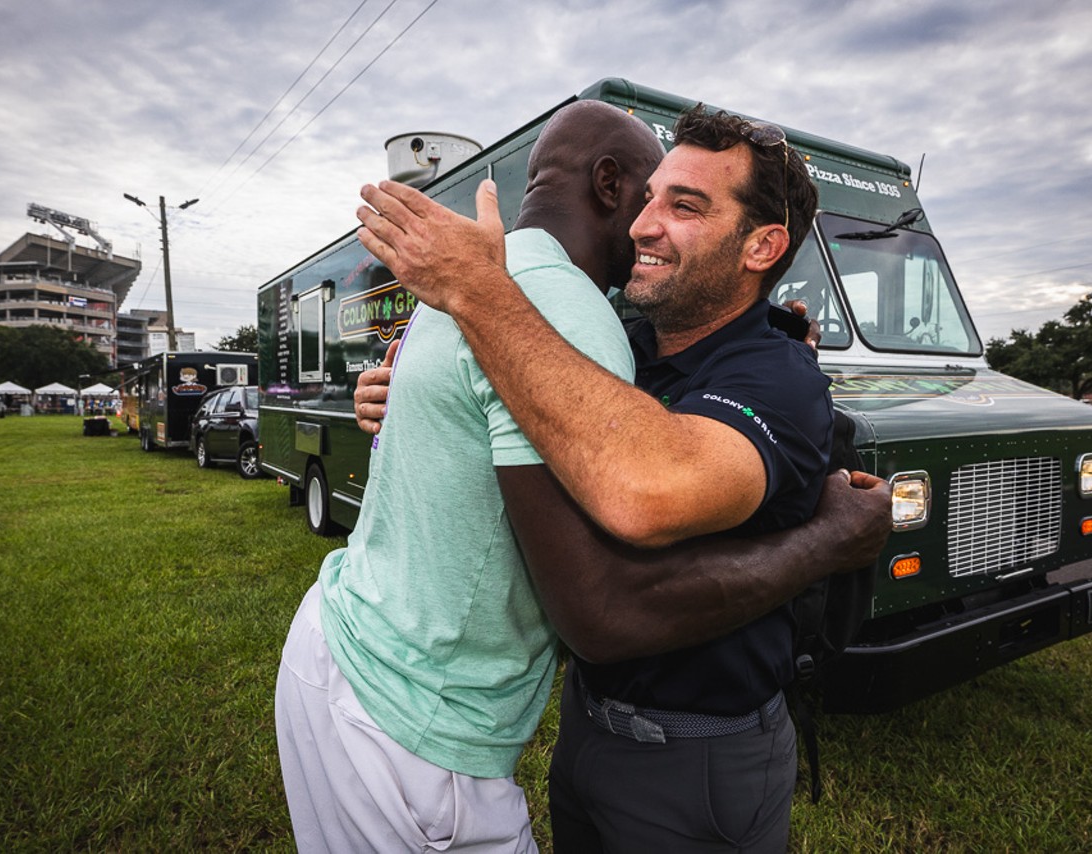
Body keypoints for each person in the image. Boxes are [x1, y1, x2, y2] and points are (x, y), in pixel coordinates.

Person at [356, 103, 878, 851]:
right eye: (650, 197)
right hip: (588, 725)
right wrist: (406, 391)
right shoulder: (624, 333)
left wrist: (477, 288)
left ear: (761, 245)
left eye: (685, 206)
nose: (642, 224)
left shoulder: (778, 379)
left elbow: (645, 489)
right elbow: (524, 389)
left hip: (701, 753)